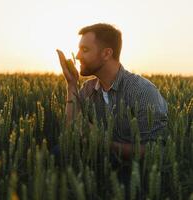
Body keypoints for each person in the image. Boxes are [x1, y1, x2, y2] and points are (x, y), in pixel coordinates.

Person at [56, 23, 168, 199]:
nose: (77, 56)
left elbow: (155, 150)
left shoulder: (142, 91)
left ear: (107, 53)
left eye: (85, 49)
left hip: (135, 173)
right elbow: (70, 132)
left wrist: (103, 142)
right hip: (97, 164)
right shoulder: (88, 89)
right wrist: (71, 85)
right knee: (56, 154)